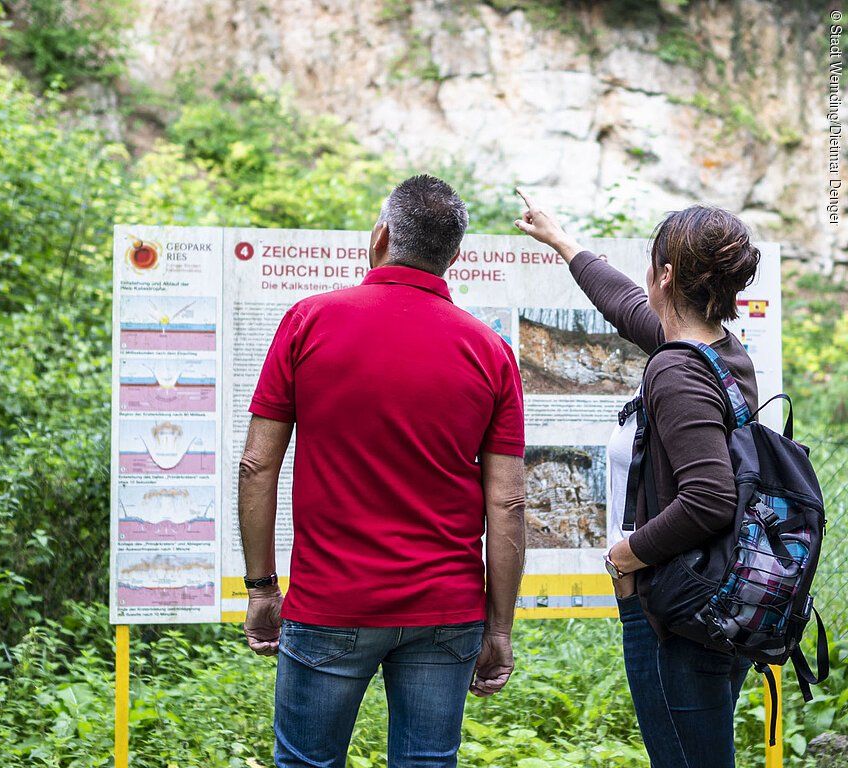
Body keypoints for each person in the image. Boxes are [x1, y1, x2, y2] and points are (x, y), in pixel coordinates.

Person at [238, 175, 527, 768]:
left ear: (381, 237)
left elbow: (257, 464)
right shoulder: (489, 350)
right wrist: (498, 630)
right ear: (453, 257)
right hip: (446, 609)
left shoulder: (308, 321)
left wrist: (262, 587)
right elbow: (508, 505)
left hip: (330, 601)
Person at [514, 190, 759, 768]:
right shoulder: (716, 352)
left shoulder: (676, 370)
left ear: (666, 275)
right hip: (710, 597)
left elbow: (709, 497)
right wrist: (562, 241)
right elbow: (626, 305)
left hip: (673, 612)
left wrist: (627, 557)